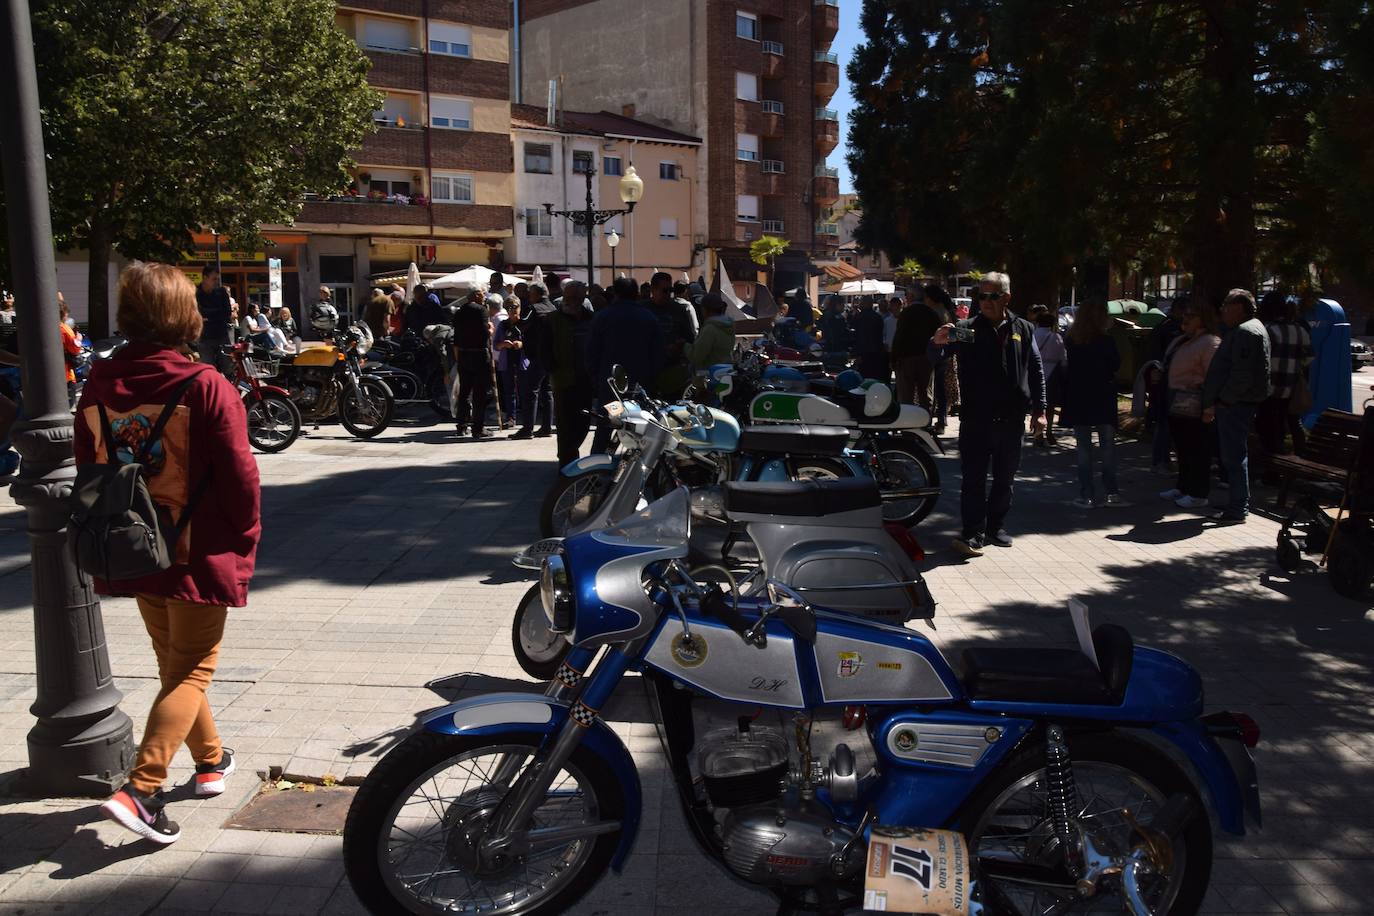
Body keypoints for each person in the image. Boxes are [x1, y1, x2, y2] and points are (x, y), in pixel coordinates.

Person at [78, 262, 260, 845]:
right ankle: (143, 789)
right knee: (192, 666)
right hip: (196, 545)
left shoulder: (99, 383)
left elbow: (88, 464)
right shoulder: (204, 384)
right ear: (185, 314)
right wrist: (245, 538)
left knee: (174, 663)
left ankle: (209, 762)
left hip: (133, 542)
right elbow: (240, 477)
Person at [931, 272, 1046, 556]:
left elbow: (1036, 370)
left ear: (1006, 297)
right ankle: (972, 532)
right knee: (973, 479)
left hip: (1011, 419)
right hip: (976, 419)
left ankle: (996, 527)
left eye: (992, 296)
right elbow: (938, 354)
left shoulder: (1024, 329)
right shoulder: (968, 329)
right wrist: (937, 343)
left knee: (1005, 479)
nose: (986, 302)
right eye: (981, 296)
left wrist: (1040, 411)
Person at [1201, 288, 1271, 523]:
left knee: (1233, 455)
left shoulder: (1245, 332)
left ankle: (1238, 506)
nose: (1222, 311)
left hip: (1236, 404)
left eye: (1226, 306)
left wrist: (1223, 400)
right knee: (1233, 454)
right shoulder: (1249, 329)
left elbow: (1242, 375)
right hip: (1239, 402)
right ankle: (1238, 502)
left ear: (1238, 308)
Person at [588, 277, 662, 453]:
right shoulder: (649, 318)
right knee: (642, 431)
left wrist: (596, 380)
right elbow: (658, 355)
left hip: (611, 390)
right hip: (640, 390)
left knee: (605, 429)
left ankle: (596, 473)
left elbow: (591, 353)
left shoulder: (603, 317)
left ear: (615, 293)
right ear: (636, 294)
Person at [1062, 299, 1124, 507]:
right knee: (1107, 447)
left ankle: (1086, 494)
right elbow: (1115, 365)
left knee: (1084, 449)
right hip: (1103, 396)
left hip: (1079, 396)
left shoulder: (1071, 340)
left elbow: (1067, 368)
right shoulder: (1106, 340)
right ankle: (1111, 492)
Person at [1160, 303, 1222, 510]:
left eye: (1191, 315)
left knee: (1198, 450)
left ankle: (1198, 493)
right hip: (1177, 404)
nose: (1185, 319)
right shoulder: (1183, 340)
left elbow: (1213, 378)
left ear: (1203, 318)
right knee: (1183, 449)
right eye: (1184, 315)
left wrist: (1209, 409)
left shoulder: (1210, 343)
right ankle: (1184, 486)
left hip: (1196, 405)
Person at [1257, 291, 1313, 459]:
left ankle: (1271, 468)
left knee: (1268, 427)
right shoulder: (1300, 330)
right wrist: (1294, 366)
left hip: (1269, 387)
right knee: (1289, 423)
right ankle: (1294, 458)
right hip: (1291, 386)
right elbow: (1310, 356)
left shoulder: (1267, 330)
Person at [548, 281, 597, 464]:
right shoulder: (552, 319)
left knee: (583, 422)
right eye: (568, 298)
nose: (571, 302)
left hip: (585, 380)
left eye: (576, 298)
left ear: (583, 298)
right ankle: (566, 461)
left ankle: (571, 451)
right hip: (562, 380)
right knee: (564, 424)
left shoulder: (591, 319)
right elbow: (543, 347)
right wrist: (551, 367)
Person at [891, 285, 946, 412]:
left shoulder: (906, 313)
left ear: (911, 296)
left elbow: (899, 337)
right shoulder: (931, 313)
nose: (905, 298)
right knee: (925, 395)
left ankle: (907, 425)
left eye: (907, 295)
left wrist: (893, 359)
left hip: (906, 358)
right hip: (927, 359)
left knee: (906, 395)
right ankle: (925, 423)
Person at [511, 282, 555, 439]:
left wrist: (515, 318)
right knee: (547, 391)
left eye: (530, 294)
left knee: (530, 391)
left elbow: (523, 325)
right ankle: (546, 427)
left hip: (537, 356)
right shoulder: (553, 307)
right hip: (550, 356)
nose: (529, 297)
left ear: (536, 294)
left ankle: (527, 429)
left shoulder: (534, 308)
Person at [450, 288, 495, 438]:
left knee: (464, 393)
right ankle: (478, 427)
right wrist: (490, 329)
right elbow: (484, 332)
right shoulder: (481, 310)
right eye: (483, 293)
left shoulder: (460, 311)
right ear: (476, 295)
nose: (484, 296)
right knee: (479, 393)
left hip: (463, 354)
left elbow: (456, 335)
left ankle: (461, 426)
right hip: (479, 355)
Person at [645, 272, 695, 397]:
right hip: (647, 369)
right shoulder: (643, 309)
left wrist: (680, 345)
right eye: (665, 290)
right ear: (653, 290)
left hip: (672, 370)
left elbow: (690, 337)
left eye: (670, 290)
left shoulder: (678, 309)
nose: (668, 294)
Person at [1030, 304, 1067, 447]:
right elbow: (1063, 359)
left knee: (1036, 405)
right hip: (1052, 374)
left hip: (1034, 373)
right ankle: (1049, 431)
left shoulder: (1033, 335)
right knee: (1050, 406)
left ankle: (1037, 433)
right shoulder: (1057, 337)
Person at [494, 298, 525, 428]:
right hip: (507, 362)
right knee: (509, 391)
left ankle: (528, 418)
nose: (512, 310)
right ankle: (511, 418)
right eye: (509, 308)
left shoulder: (525, 324)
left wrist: (522, 344)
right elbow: (496, 345)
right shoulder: (503, 325)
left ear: (520, 308)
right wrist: (503, 344)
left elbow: (534, 342)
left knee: (525, 390)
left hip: (523, 362)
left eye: (515, 307)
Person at [193, 266, 232, 368]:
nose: (216, 282)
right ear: (205, 278)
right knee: (208, 369)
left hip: (221, 335)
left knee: (228, 368)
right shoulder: (195, 293)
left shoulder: (222, 293)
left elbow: (227, 312)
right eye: (214, 279)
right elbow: (197, 313)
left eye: (218, 279)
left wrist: (207, 317)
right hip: (204, 338)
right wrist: (217, 313)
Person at [691, 293, 735, 371]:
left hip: (709, 376)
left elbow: (697, 356)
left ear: (705, 309)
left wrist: (685, 347)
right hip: (724, 373)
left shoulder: (710, 329)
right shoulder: (728, 326)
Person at [851, 298, 888, 381]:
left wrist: (856, 353)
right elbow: (880, 335)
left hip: (863, 351)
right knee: (874, 376)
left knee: (863, 376)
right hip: (876, 352)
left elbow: (856, 335)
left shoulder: (859, 317)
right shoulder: (877, 317)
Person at [817, 296, 852, 370]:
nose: (844, 307)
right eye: (843, 305)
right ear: (837, 305)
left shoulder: (825, 315)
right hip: (837, 349)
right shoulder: (838, 317)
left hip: (827, 348)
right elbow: (841, 333)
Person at [883, 298, 902, 367]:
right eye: (892, 305)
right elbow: (884, 334)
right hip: (889, 350)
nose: (894, 308)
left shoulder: (904, 320)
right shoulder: (887, 321)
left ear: (900, 306)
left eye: (895, 305)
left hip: (900, 350)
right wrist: (885, 342)